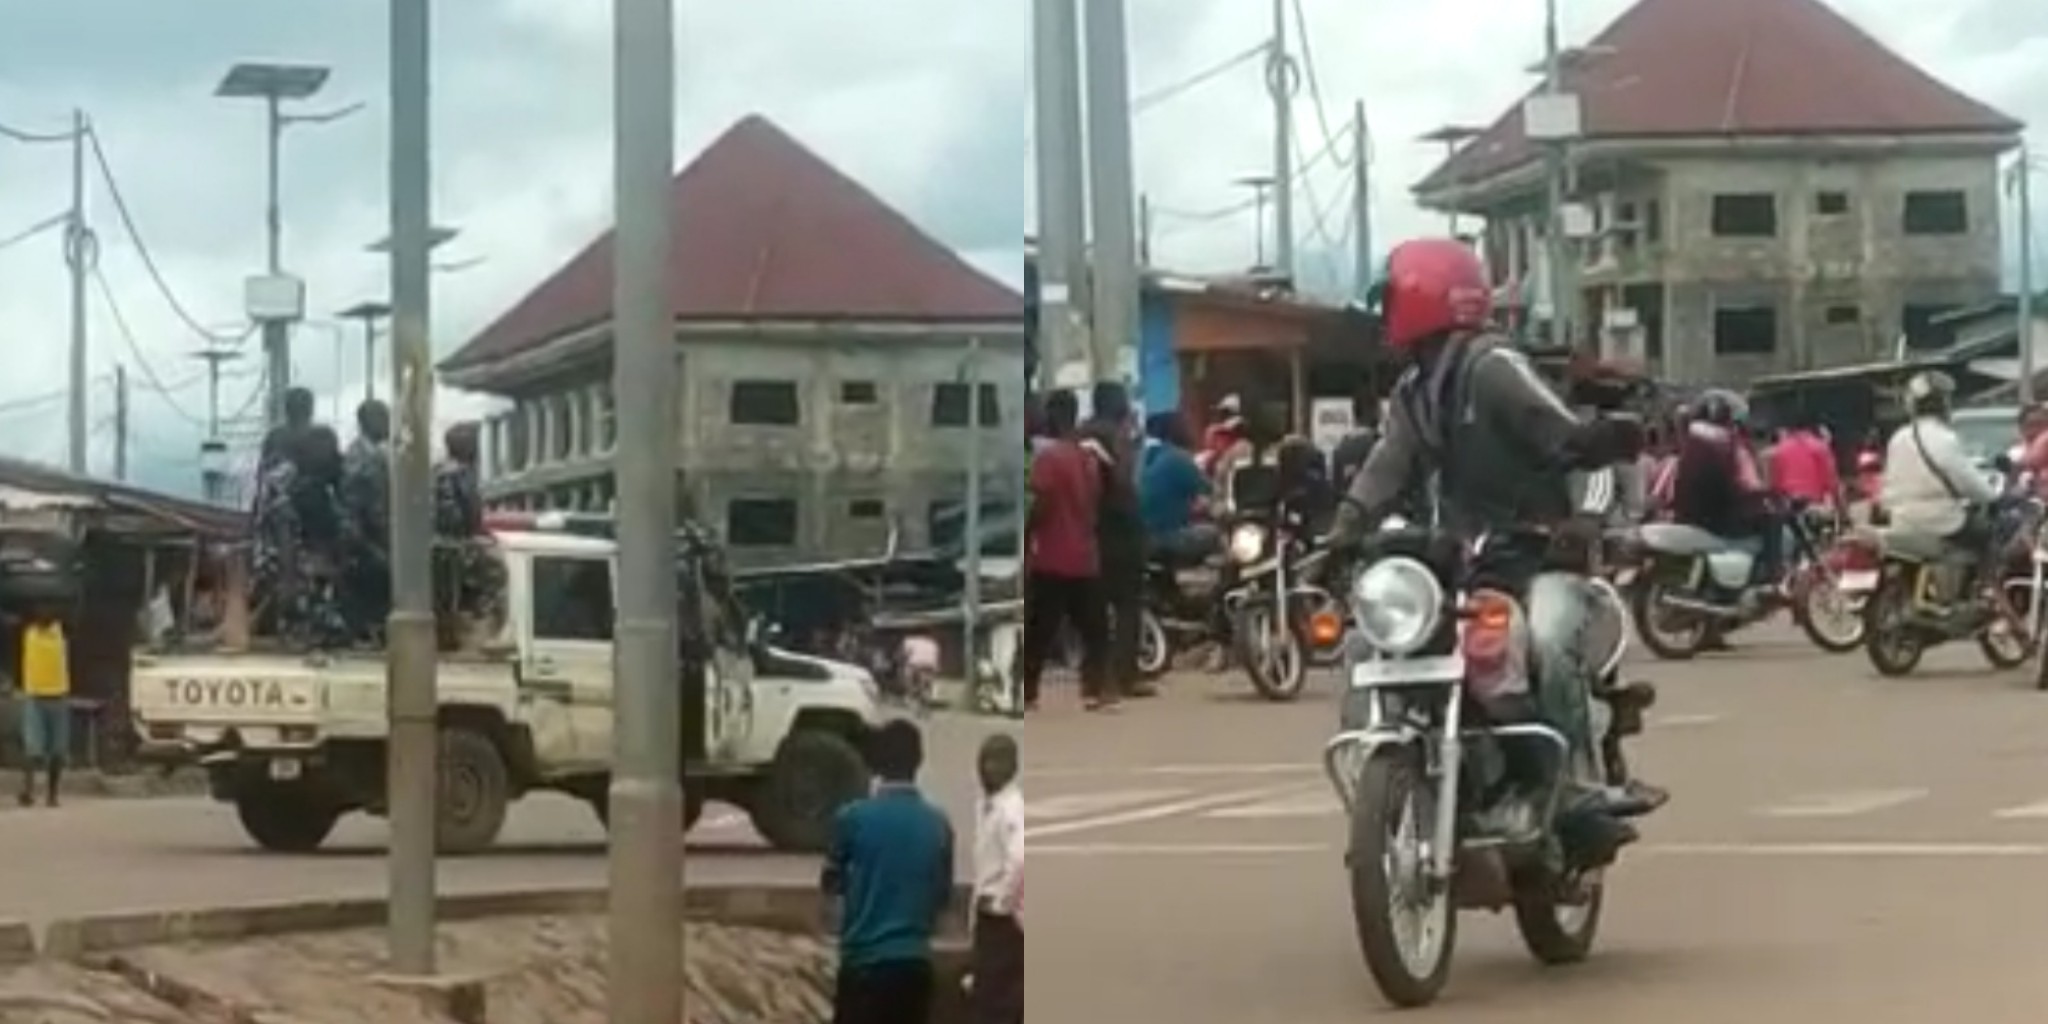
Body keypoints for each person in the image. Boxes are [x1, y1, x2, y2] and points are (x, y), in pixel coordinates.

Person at [1321, 237, 1653, 860]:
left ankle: (1577, 790)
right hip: (1463, 561)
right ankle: (1386, 766)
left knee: (1548, 640)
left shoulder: (1492, 366)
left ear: (1423, 295)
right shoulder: (1416, 391)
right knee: (1372, 640)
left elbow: (1570, 439)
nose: (1384, 312)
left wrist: (1583, 514)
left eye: (1390, 297)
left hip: (1538, 554)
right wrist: (1344, 525)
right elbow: (1387, 463)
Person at [822, 719, 954, 1024]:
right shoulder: (938, 824)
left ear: (877, 764)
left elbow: (831, 886)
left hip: (863, 964)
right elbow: (942, 897)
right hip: (914, 965)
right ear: (919, 761)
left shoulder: (852, 819)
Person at [1023, 390, 1112, 711]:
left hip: (1051, 557)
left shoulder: (1048, 459)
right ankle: (1095, 690)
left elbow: (1041, 502)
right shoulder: (1088, 458)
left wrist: (1029, 530)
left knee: (1040, 630)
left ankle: (1028, 691)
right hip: (1085, 558)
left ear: (1051, 416)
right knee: (1094, 630)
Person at [1882, 371, 2001, 599]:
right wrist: (1992, 496)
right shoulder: (1945, 438)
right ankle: (1988, 593)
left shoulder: (1898, 437)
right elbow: (1968, 481)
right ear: (1944, 404)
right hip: (1939, 520)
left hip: (1901, 519)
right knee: (1988, 535)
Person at [1081, 382, 1155, 699]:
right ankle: (1124, 676)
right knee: (1127, 607)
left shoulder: (1078, 435)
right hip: (1119, 531)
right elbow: (1125, 483)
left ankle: (1092, 676)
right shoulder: (1117, 436)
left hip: (1085, 532)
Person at [1670, 391, 1783, 593]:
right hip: (1719, 517)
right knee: (1773, 517)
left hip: (1689, 514)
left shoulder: (1691, 443)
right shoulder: (1728, 444)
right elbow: (1739, 483)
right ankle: (1773, 574)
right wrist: (1763, 495)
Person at [433, 421, 505, 643]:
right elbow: (468, 516)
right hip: (452, 547)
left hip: (441, 546)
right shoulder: (461, 474)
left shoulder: (437, 471)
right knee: (497, 572)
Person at [970, 733, 1024, 1024]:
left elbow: (1019, 859)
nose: (987, 769)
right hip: (985, 909)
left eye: (996, 762)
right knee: (986, 991)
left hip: (1001, 917)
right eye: (984, 761)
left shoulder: (1010, 808)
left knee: (997, 997)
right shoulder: (986, 805)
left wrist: (1003, 901)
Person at [340, 400, 392, 642]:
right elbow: (367, 504)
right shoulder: (362, 457)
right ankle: (367, 630)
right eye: (383, 418)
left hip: (367, 532)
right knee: (376, 576)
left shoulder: (371, 453)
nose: (388, 424)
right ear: (367, 423)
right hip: (361, 535)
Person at [1139, 411, 1215, 560]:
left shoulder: (1147, 455)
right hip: (1167, 537)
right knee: (1219, 534)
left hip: (1143, 537)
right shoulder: (1178, 458)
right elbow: (1211, 490)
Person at [15, 604, 70, 807]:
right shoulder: (29, 634)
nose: (43, 618)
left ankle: (52, 795)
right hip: (35, 697)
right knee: (33, 750)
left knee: (58, 752)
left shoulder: (59, 633)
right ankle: (28, 791)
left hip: (58, 696)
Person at [252, 387, 319, 513]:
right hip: (283, 507)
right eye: (297, 408)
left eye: (302, 408)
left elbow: (261, 475)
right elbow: (262, 475)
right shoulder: (275, 437)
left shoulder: (321, 437)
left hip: (309, 507)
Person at [1329, 389, 1381, 489]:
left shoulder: (1340, 449)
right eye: (1379, 410)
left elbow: (1336, 489)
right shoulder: (1379, 445)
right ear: (1373, 412)